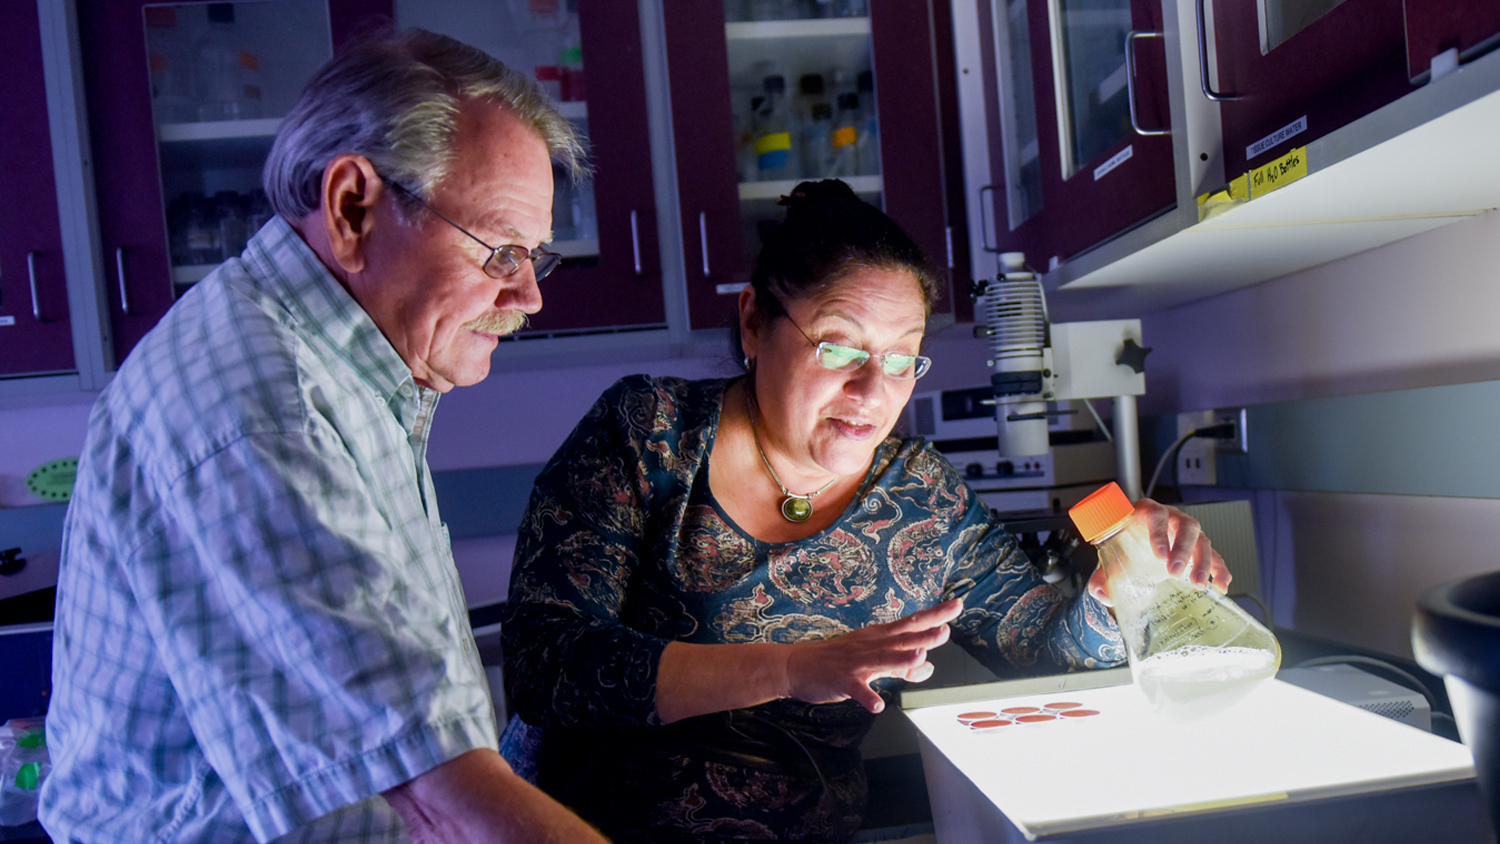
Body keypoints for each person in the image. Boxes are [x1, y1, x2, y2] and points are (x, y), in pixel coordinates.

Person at [498, 179, 1228, 843]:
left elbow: (1048, 649)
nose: (873, 391)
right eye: (840, 348)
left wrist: (1121, 588)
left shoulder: (922, 499)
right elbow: (546, 664)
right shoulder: (649, 432)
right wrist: (788, 667)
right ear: (754, 323)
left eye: (903, 357)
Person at [40, 29, 608, 844]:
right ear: (352, 207)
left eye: (535, 257)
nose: (529, 295)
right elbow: (431, 787)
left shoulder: (336, 363)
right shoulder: (264, 409)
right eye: (501, 251)